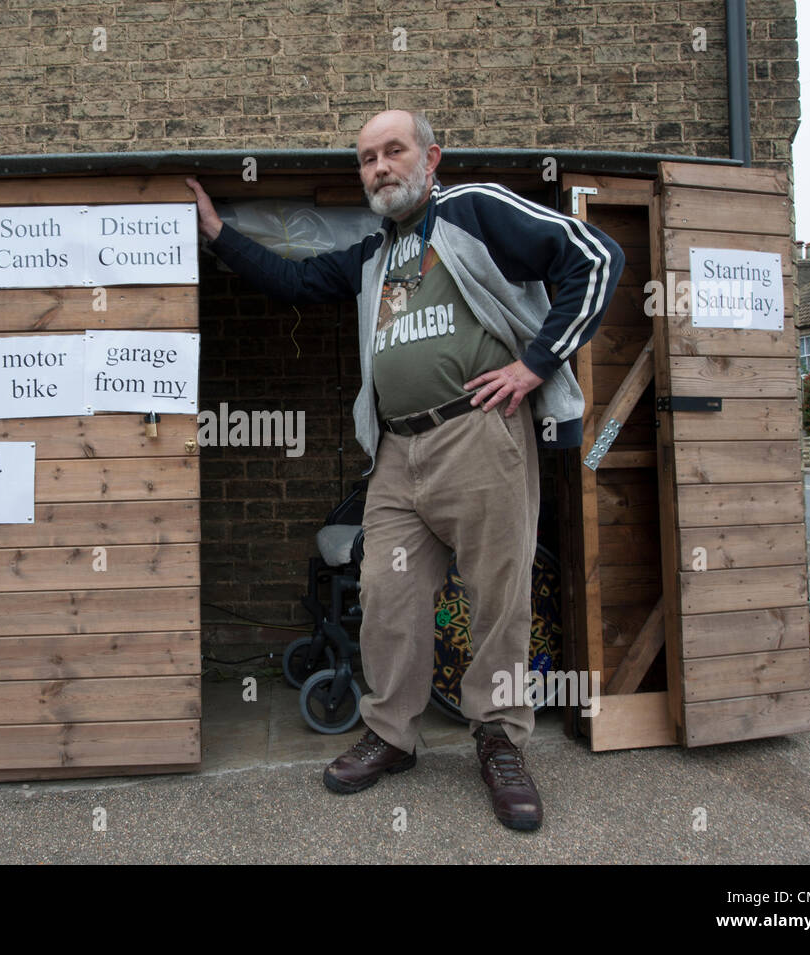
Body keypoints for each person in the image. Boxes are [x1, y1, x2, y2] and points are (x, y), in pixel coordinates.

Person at [186, 109, 624, 831]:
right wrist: (216, 233)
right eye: (366, 158)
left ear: (431, 156)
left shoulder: (474, 211)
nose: (379, 167)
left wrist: (535, 363)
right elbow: (293, 283)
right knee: (386, 594)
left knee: (498, 601)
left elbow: (597, 256)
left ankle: (501, 739)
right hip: (396, 453)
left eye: (394, 151)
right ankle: (392, 732)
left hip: (479, 438)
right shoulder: (371, 256)